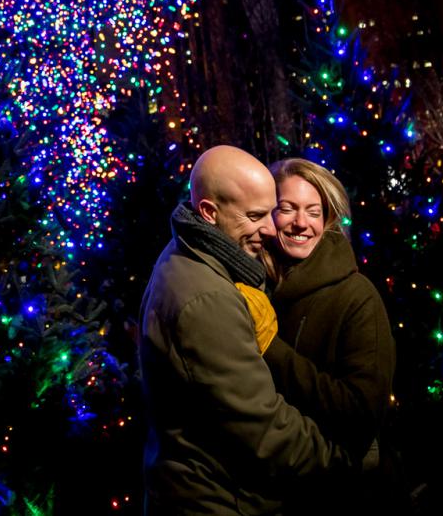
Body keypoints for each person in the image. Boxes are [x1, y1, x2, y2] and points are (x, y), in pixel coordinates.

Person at [138, 145, 348, 514]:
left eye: (271, 212)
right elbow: (263, 428)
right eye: (254, 216)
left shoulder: (189, 252)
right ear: (209, 212)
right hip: (217, 502)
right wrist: (343, 459)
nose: (270, 229)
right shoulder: (206, 298)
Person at [262, 158, 395, 488]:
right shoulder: (259, 289)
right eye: (287, 208)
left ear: (328, 219)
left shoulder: (356, 296)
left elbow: (361, 414)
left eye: (313, 211)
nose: (301, 223)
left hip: (346, 491)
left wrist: (271, 349)